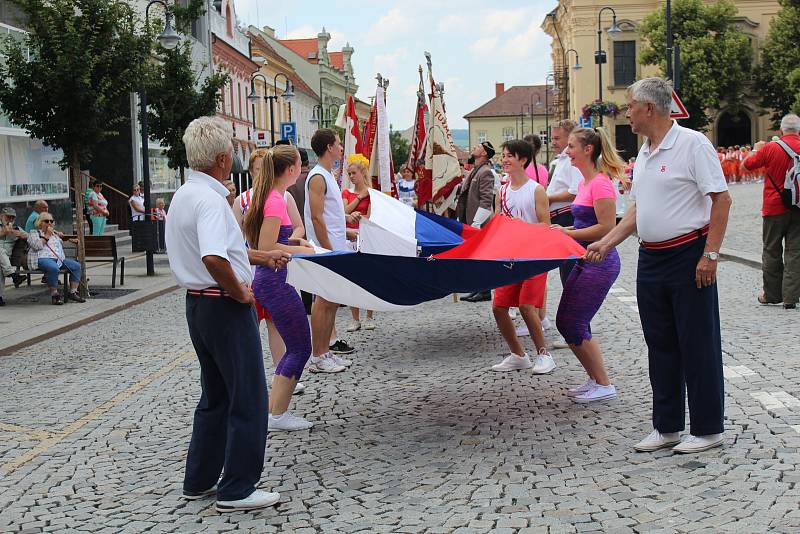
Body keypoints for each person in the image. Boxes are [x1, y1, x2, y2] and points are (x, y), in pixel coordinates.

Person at [587, 77, 732, 453]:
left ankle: (707, 428)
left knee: (697, 343)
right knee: (661, 344)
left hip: (688, 255)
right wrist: (607, 240)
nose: (626, 112)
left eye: (630, 105)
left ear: (650, 108)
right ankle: (666, 426)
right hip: (651, 258)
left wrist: (710, 254)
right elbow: (639, 209)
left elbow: (722, 200)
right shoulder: (647, 153)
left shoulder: (692, 145)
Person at [165, 116, 288, 512]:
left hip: (199, 303)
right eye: (233, 149)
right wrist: (240, 292)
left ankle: (199, 479)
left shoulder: (185, 195)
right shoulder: (211, 201)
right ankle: (237, 486)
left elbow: (221, 250)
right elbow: (215, 257)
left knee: (215, 395)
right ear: (222, 158)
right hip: (222, 302)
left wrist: (259, 256)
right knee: (249, 396)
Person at [243, 144, 316, 432]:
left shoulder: (272, 196)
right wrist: (301, 251)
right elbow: (266, 247)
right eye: (300, 164)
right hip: (274, 281)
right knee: (300, 346)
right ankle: (277, 415)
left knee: (296, 346)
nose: (302, 169)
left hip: (274, 280)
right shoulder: (275, 200)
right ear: (291, 169)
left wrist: (296, 244)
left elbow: (274, 240)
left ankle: (274, 411)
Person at [552, 127, 625, 403]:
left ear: (588, 150)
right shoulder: (583, 184)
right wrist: (561, 229)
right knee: (566, 321)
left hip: (601, 262)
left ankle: (604, 384)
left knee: (574, 321)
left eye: (571, 147)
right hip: (583, 258)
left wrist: (567, 233)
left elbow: (606, 228)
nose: (566, 152)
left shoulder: (601, 183)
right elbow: (584, 223)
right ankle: (594, 378)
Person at [489, 140, 554, 373]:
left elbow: (547, 226)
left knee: (527, 306)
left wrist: (522, 227)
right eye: (503, 155)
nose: (504, 160)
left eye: (510, 156)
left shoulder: (536, 190)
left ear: (523, 160)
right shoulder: (502, 191)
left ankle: (544, 355)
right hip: (510, 256)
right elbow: (497, 223)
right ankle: (518, 354)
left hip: (535, 256)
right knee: (498, 307)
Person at [304, 128, 360, 372]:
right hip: (325, 250)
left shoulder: (327, 176)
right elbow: (317, 218)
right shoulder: (317, 177)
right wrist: (328, 250)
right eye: (338, 144)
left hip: (335, 247)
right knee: (323, 302)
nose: (340, 147)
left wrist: (348, 229)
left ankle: (325, 352)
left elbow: (331, 216)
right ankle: (317, 355)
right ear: (328, 147)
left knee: (332, 301)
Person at [743, 113, 800, 309]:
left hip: (774, 207)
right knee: (795, 253)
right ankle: (791, 297)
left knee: (771, 251)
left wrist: (755, 150)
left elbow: (746, 166)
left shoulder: (771, 148)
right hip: (799, 207)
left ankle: (772, 295)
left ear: (781, 130)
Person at [456, 141, 496, 302]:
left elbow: (486, 200)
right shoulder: (476, 170)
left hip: (479, 222)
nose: (474, 147)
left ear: (485, 153)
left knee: (482, 258)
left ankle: (485, 290)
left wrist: (477, 222)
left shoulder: (485, 172)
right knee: (475, 257)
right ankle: (478, 288)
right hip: (469, 219)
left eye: (478, 146)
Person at [342, 154, 376, 331]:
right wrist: (359, 198)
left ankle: (370, 316)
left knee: (369, 277)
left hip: (365, 236)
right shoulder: (347, 193)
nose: (351, 176)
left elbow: (370, 218)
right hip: (349, 236)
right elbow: (344, 211)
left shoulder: (372, 194)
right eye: (349, 173)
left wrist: (364, 200)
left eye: (354, 172)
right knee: (351, 278)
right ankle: (355, 318)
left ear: (362, 173)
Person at [26, 213, 86, 305]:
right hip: (42, 258)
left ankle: (73, 293)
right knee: (53, 268)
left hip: (58, 259)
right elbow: (37, 246)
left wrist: (70, 241)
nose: (49, 223)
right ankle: (55, 295)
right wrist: (47, 235)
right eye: (46, 221)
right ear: (40, 223)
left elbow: (60, 243)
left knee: (76, 266)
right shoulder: (34, 233)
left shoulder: (55, 234)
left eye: (51, 221)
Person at [1, 207, 27, 306]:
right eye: (8, 217)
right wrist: (3, 232)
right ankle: (14, 276)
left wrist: (20, 234)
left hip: (7, 258)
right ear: (2, 216)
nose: (11, 220)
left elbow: (29, 236)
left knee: (1, 265)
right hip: (3, 257)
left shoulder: (16, 228)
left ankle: (0, 297)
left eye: (13, 218)